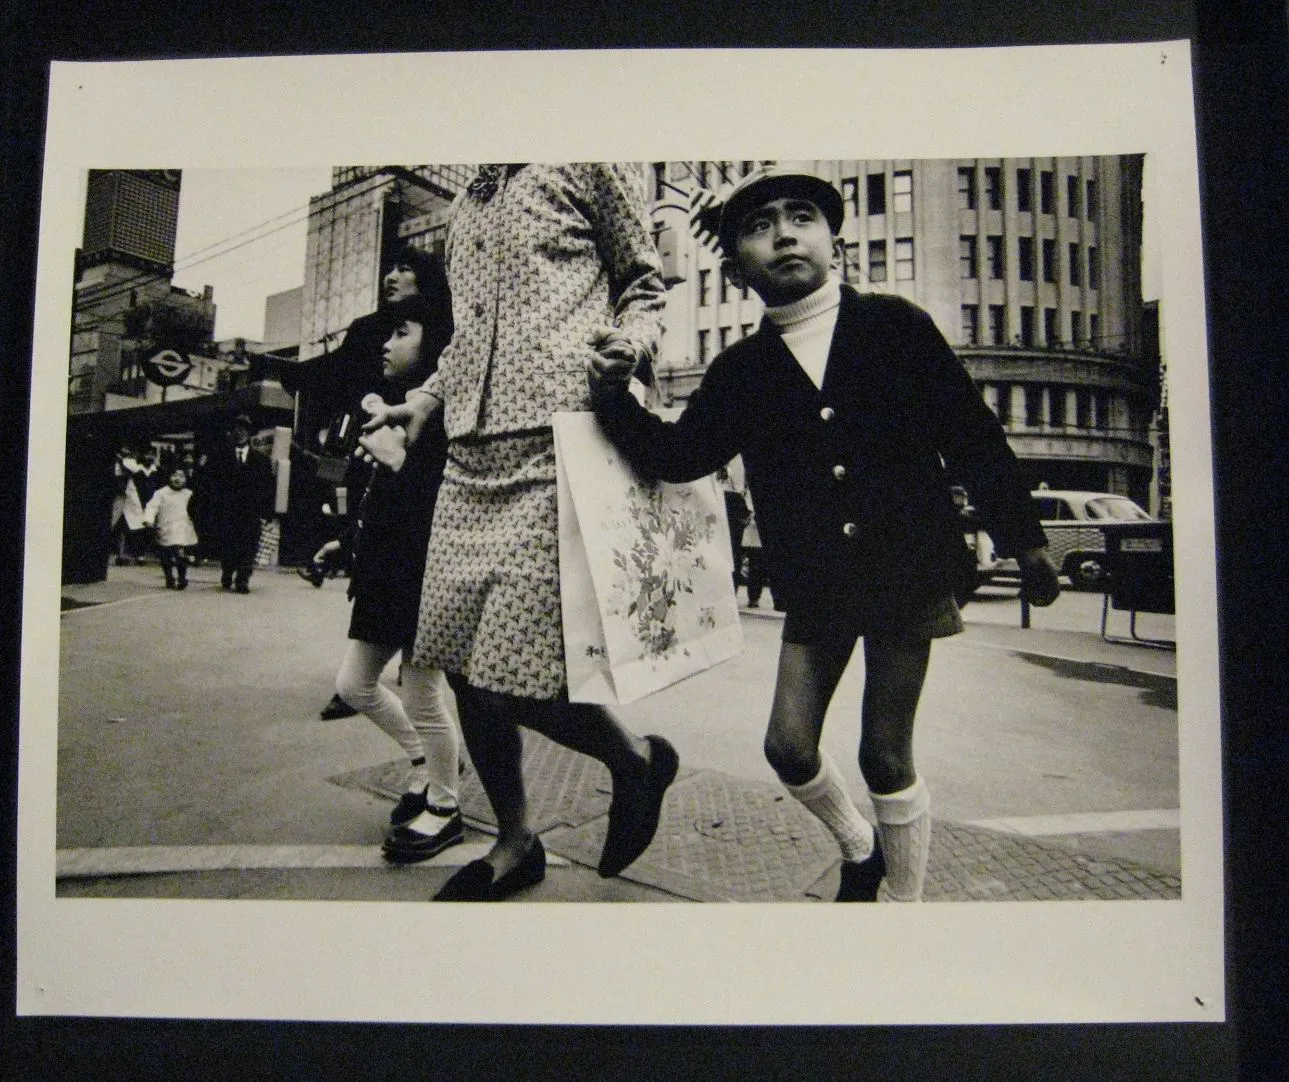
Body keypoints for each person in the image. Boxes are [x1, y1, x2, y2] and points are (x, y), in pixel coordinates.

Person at [590, 166, 1061, 903]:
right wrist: (611, 399)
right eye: (757, 225)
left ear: (831, 240)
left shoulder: (894, 326)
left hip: (910, 568)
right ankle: (857, 847)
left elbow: (970, 431)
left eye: (800, 216)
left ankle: (898, 908)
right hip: (816, 580)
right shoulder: (741, 369)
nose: (782, 233)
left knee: (883, 754)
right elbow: (680, 455)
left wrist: (1024, 538)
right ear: (734, 265)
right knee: (787, 744)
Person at [364, 163, 678, 902]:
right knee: (459, 661)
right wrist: (425, 402)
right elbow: (470, 334)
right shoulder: (466, 205)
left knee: (514, 677)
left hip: (556, 440)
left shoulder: (586, 164)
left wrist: (629, 347)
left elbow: (643, 285)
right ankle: (515, 839)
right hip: (469, 456)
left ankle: (634, 761)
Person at [285, 245, 452, 723]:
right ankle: (370, 677)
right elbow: (331, 373)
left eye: (405, 268)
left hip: (420, 455)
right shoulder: (367, 330)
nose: (392, 275)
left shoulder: (446, 329)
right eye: (389, 267)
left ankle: (403, 681)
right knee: (374, 547)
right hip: (371, 455)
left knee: (413, 566)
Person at [326, 293, 464, 860]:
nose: (387, 343)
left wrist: (398, 460)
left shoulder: (444, 413)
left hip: (421, 574)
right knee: (354, 685)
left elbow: (445, 503)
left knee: (423, 692)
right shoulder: (397, 407)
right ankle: (423, 763)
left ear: (432, 343)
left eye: (401, 332)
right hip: (383, 570)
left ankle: (446, 803)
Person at [205, 414, 275, 594]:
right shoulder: (220, 457)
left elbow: (268, 488)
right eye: (237, 428)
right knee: (228, 544)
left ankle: (243, 579)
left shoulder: (261, 460)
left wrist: (267, 512)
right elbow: (211, 485)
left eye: (244, 428)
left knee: (249, 545)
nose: (240, 432)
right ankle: (227, 571)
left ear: (250, 433)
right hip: (227, 510)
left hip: (250, 512)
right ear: (232, 432)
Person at [141, 466, 198, 589]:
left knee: (181, 555)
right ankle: (169, 577)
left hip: (184, 528)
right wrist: (148, 520)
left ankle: (182, 577)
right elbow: (152, 507)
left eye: (181, 476)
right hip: (166, 528)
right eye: (174, 475)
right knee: (166, 557)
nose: (177, 479)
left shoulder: (189, 494)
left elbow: (197, 510)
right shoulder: (161, 493)